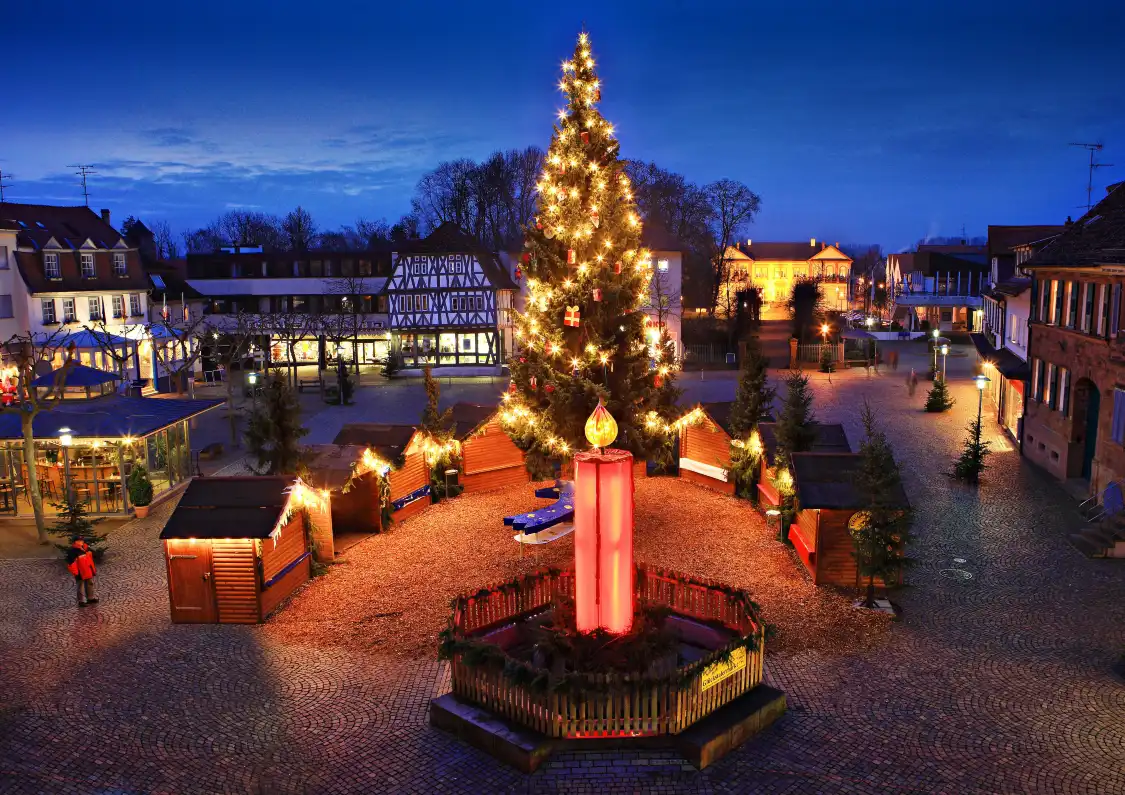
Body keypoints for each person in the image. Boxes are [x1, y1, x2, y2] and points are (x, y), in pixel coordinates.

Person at [66, 537, 98, 607]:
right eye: (80, 540)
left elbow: (92, 556)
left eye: (82, 540)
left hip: (88, 570)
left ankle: (90, 598)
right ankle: (81, 601)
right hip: (80, 572)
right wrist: (75, 572)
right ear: (75, 542)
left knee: (90, 583)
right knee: (81, 586)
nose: (82, 541)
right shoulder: (72, 551)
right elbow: (71, 564)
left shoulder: (85, 548)